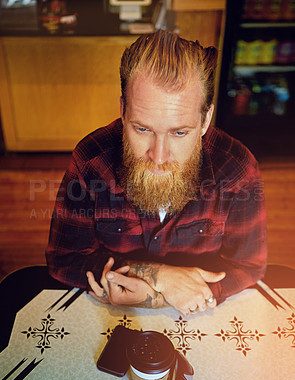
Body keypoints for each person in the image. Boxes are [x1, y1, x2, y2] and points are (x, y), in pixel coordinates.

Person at [46, 30, 267, 316]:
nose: (159, 156)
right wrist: (159, 275)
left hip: (199, 316)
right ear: (123, 110)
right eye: (142, 129)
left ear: (204, 120)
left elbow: (249, 266)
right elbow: (64, 259)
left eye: (179, 132)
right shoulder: (91, 160)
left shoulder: (237, 170)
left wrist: (157, 296)